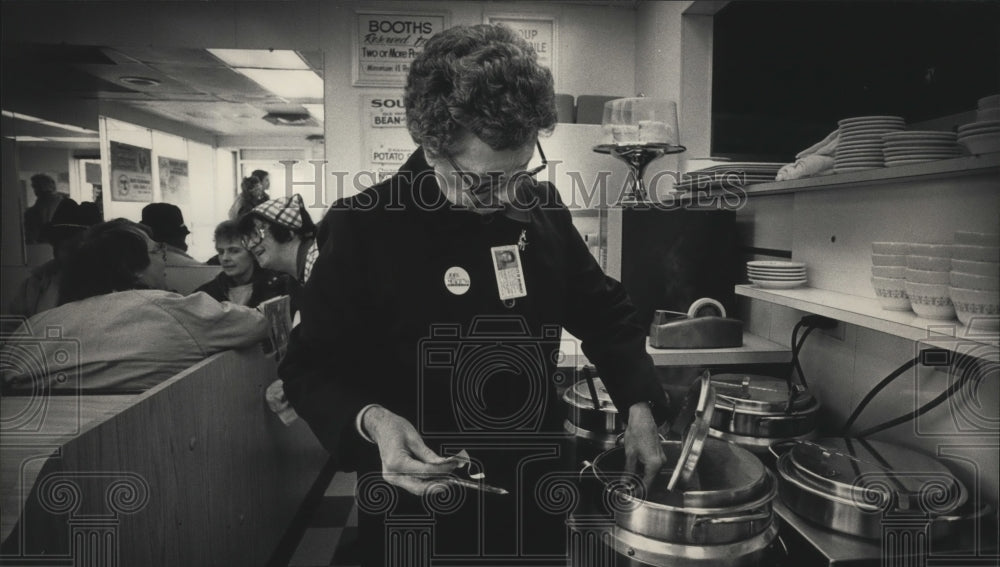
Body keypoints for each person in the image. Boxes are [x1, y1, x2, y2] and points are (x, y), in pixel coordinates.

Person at [278, 24, 671, 565]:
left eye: (522, 171)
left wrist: (639, 402)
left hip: (533, 490)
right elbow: (308, 368)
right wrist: (374, 420)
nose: (509, 195)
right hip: (419, 503)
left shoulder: (541, 206)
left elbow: (602, 310)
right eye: (485, 182)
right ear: (432, 147)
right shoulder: (363, 226)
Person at [0, 219, 268, 392]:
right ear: (133, 270)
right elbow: (257, 324)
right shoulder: (171, 310)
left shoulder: (37, 327)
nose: (164, 261)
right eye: (156, 252)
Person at [9, 201, 101, 317]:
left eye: (76, 247)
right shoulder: (36, 283)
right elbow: (15, 327)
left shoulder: (114, 282)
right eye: (61, 246)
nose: (65, 255)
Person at [194, 220, 296, 308]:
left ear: (252, 252)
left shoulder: (279, 287)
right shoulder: (207, 293)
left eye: (234, 251)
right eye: (220, 252)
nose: (225, 258)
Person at [238, 194, 318, 285]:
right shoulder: (300, 278)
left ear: (287, 231)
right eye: (246, 240)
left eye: (257, 234)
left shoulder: (320, 266)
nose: (250, 246)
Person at [23, 173, 75, 244]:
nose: (35, 190)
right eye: (34, 187)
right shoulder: (66, 204)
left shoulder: (32, 211)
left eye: (35, 187)